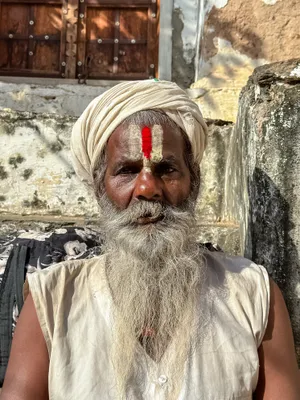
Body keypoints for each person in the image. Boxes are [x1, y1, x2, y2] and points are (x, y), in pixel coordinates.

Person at [1, 80, 299, 400]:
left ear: (194, 183)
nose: (147, 188)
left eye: (166, 169)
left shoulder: (254, 296)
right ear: (101, 190)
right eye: (128, 171)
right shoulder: (52, 302)